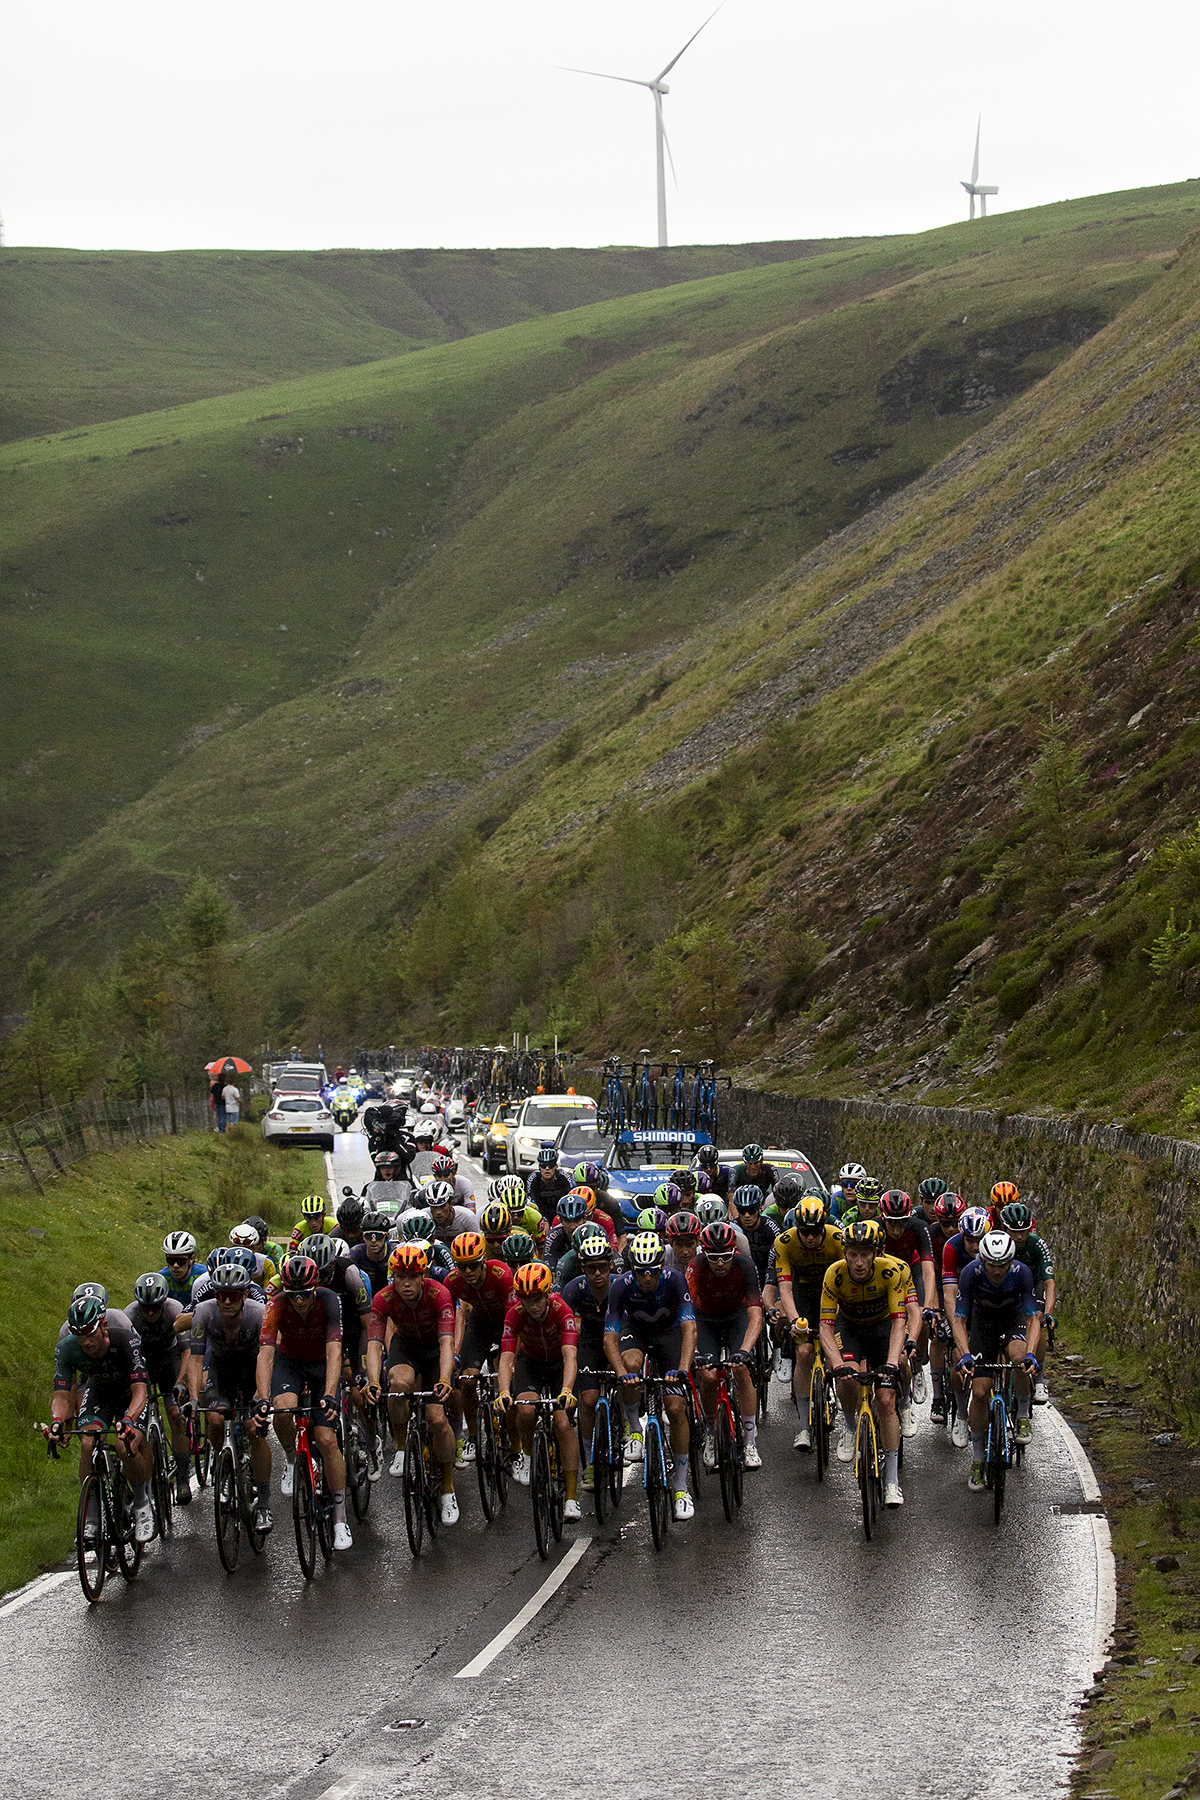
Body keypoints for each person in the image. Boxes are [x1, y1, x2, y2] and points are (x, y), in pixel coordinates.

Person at [254, 1254, 353, 1551]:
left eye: (305, 1294)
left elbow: (335, 1350)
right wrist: (261, 1398)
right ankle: (292, 1458)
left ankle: (339, 1516)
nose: (299, 1301)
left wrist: (330, 1394)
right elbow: (266, 1354)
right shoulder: (276, 1304)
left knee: (325, 1438)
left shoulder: (329, 1300)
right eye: (293, 1294)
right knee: (282, 1411)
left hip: (323, 1363)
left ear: (315, 1287)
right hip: (291, 1362)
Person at [603, 1230, 697, 1518]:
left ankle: (681, 1487)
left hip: (669, 1334)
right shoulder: (621, 1285)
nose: (646, 1278)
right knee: (630, 1363)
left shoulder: (674, 1280)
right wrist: (621, 1375)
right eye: (641, 1272)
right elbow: (609, 1338)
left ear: (661, 1266)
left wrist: (682, 1370)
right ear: (633, 1268)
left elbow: (689, 1328)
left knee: (676, 1408)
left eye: (652, 1271)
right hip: (637, 1332)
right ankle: (635, 1428)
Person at [48, 1294, 154, 1545]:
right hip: (100, 1392)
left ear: (103, 1326)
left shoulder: (126, 1339)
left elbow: (140, 1390)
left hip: (131, 1392)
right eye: (78, 1334)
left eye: (90, 1333)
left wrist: (129, 1419)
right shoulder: (66, 1349)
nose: (85, 1341)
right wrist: (57, 1421)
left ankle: (142, 1505)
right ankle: (92, 1516)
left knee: (124, 1445)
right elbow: (62, 1396)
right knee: (87, 1444)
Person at [364, 1243, 459, 1522]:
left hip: (434, 1352)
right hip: (406, 1347)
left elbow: (446, 1343)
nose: (405, 1284)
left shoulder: (439, 1293)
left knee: (437, 1419)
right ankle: (403, 1447)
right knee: (397, 1386)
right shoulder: (383, 1299)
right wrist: (372, 1381)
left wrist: (444, 1378)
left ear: (423, 1275)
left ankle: (448, 1489)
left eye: (412, 1277)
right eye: (400, 1277)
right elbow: (373, 1344)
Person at [819, 1219, 907, 1508]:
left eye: (865, 1254)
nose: (858, 1262)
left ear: (875, 1254)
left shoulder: (889, 1272)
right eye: (853, 1254)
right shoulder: (834, 1274)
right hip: (851, 1329)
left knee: (885, 1400)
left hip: (883, 1330)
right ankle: (848, 1424)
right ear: (845, 1254)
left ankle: (892, 1481)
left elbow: (899, 1322)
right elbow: (825, 1327)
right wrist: (836, 1364)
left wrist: (893, 1362)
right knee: (847, 1378)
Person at [186, 1263, 272, 1533]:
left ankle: (264, 1504)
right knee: (213, 1418)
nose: (225, 1300)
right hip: (221, 1371)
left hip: (252, 1371)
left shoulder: (259, 1314)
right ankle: (223, 1463)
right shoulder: (204, 1312)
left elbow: (265, 1358)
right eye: (220, 1293)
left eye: (232, 1295)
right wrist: (192, 1399)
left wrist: (261, 1396)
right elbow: (196, 1356)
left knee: (254, 1429)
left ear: (245, 1294)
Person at [953, 1230, 1039, 1492]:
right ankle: (978, 1459)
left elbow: (1033, 1319)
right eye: (992, 1265)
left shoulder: (1021, 1273)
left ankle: (1023, 1413)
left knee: (1018, 1358)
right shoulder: (970, 1273)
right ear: (983, 1261)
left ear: (1011, 1262)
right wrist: (965, 1353)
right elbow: (959, 1320)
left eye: (1003, 1265)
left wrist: (1032, 1354)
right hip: (983, 1325)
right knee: (979, 1393)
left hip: (1013, 1319)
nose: (998, 1270)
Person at [497, 1262, 582, 1520]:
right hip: (531, 1363)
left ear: (547, 1294)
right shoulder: (515, 1314)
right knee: (524, 1409)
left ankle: (571, 1497)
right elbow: (506, 1357)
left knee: (562, 1424)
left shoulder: (561, 1311)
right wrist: (503, 1391)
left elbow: (570, 1356)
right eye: (525, 1299)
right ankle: (530, 1456)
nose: (532, 1306)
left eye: (536, 1299)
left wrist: (567, 1389)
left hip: (559, 1366)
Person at [687, 1221, 763, 1473]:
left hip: (736, 1316)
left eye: (725, 1257)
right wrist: (694, 1353)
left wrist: (745, 1350)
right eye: (713, 1257)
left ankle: (750, 1441)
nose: (720, 1263)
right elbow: (686, 1317)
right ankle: (710, 1431)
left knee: (741, 1369)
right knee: (708, 1376)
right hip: (705, 1319)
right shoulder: (695, 1267)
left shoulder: (745, 1265)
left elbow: (755, 1314)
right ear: (704, 1253)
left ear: (734, 1252)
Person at [445, 1230, 514, 1463]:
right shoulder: (452, 1281)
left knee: (508, 1380)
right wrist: (453, 1352)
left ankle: (516, 1449)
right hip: (480, 1325)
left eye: (473, 1266)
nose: (467, 1272)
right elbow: (454, 1317)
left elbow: (515, 1316)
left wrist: (510, 1355)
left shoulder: (501, 1274)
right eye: (462, 1267)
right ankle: (473, 1436)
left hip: (506, 1323)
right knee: (467, 1381)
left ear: (483, 1260)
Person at [126, 1272, 192, 1504]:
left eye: (155, 1307)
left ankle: (183, 1477)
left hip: (169, 1361)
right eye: (146, 1308)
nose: (151, 1312)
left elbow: (187, 1351)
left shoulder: (175, 1310)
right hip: (142, 1364)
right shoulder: (130, 1316)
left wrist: (181, 1382)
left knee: (174, 1413)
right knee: (136, 1425)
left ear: (164, 1302)